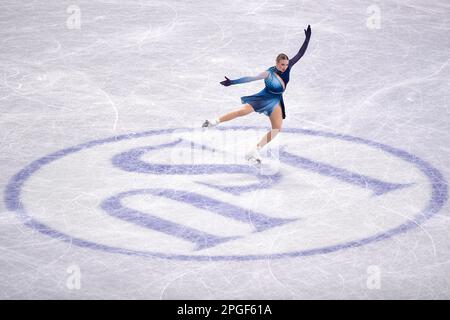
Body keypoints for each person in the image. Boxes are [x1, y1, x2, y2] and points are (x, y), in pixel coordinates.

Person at [202, 25, 312, 163]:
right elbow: (250, 78)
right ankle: (214, 121)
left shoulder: (289, 67)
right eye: (282, 64)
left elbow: (300, 54)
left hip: (276, 100)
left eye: (285, 64)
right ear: (276, 63)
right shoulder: (268, 73)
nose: (284, 67)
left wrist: (307, 39)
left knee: (276, 129)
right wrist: (232, 82)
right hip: (264, 97)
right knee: (242, 111)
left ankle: (254, 150)